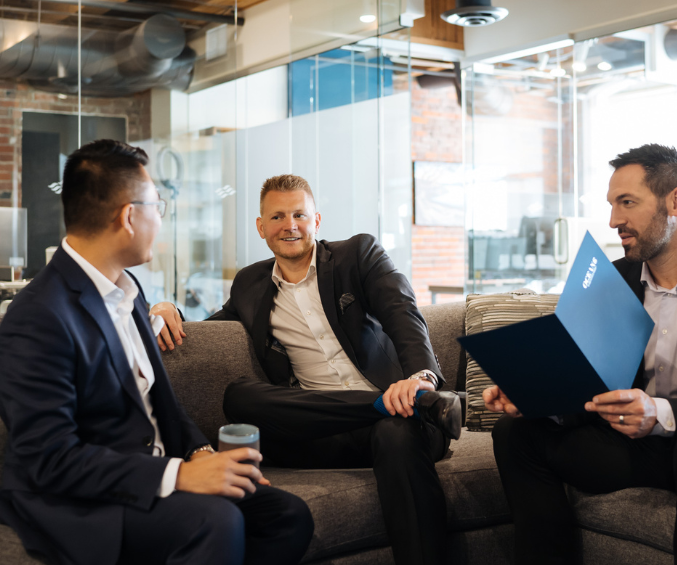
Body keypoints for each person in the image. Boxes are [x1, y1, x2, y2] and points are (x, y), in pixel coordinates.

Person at [0, 140, 313, 565]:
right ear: (129, 216)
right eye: (157, 206)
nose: (160, 220)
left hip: (152, 480)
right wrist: (179, 475)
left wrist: (200, 454)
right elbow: (50, 460)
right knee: (215, 520)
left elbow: (158, 401)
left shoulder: (129, 290)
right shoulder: (38, 316)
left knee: (287, 515)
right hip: (83, 502)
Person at [484, 144, 677, 565]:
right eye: (612, 205)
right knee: (517, 435)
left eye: (627, 203)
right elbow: (587, 385)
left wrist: (660, 412)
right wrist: (537, 396)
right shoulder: (614, 279)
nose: (614, 220)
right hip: (647, 448)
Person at [151, 174, 463, 565]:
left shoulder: (358, 255)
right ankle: (378, 405)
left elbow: (403, 312)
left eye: (299, 213)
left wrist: (420, 379)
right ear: (262, 227)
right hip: (324, 432)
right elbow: (210, 328)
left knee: (395, 427)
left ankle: (406, 405)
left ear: (316, 221)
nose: (290, 224)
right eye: (278, 216)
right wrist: (168, 310)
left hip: (403, 420)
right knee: (239, 397)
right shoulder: (250, 284)